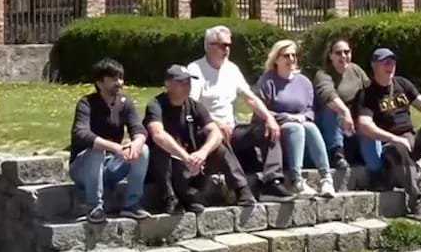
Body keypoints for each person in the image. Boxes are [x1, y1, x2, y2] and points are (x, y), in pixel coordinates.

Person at [186, 25, 294, 202]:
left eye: (229, 45)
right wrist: (215, 123)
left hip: (232, 129)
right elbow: (191, 105)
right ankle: (240, 189)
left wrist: (269, 118)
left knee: (267, 130)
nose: (227, 49)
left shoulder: (232, 69)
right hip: (207, 131)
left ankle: (273, 182)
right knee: (218, 135)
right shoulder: (196, 69)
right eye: (222, 45)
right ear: (209, 46)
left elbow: (250, 98)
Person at [354, 47, 421, 221]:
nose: (390, 66)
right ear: (374, 65)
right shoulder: (366, 94)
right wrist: (394, 139)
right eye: (385, 63)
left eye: (392, 62)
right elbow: (365, 125)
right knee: (398, 148)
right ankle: (417, 202)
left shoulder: (402, 83)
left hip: (411, 140)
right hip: (389, 147)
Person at [144, 64, 257, 213]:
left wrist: (202, 153)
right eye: (181, 83)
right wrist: (185, 157)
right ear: (168, 84)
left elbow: (215, 132)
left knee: (218, 145)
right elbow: (158, 135)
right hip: (167, 164)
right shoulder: (155, 105)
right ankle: (170, 198)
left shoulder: (194, 106)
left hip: (192, 163)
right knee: (160, 148)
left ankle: (241, 189)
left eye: (188, 82)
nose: (186, 87)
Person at [68, 58, 151, 223]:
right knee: (96, 151)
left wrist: (136, 143)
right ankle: (95, 208)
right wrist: (115, 147)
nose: (119, 83)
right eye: (113, 79)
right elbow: (81, 133)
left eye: (120, 78)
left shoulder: (125, 102)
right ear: (99, 83)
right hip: (83, 168)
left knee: (143, 150)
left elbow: (138, 128)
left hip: (111, 165)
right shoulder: (86, 103)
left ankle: (131, 204)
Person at [257, 39, 336, 198]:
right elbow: (260, 111)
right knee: (295, 127)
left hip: (302, 127)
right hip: (278, 129)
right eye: (286, 55)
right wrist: (287, 117)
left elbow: (310, 110)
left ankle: (326, 179)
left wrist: (302, 117)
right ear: (276, 59)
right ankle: (296, 180)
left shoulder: (304, 82)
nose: (291, 59)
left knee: (310, 127)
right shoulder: (268, 81)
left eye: (294, 55)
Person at [312, 37, 382, 174]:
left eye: (347, 52)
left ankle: (377, 171)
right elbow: (328, 95)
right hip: (331, 125)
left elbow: (370, 92)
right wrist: (345, 112)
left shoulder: (356, 70)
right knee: (333, 109)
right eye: (338, 53)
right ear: (330, 56)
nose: (343, 56)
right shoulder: (323, 75)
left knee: (368, 125)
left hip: (354, 123)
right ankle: (337, 153)